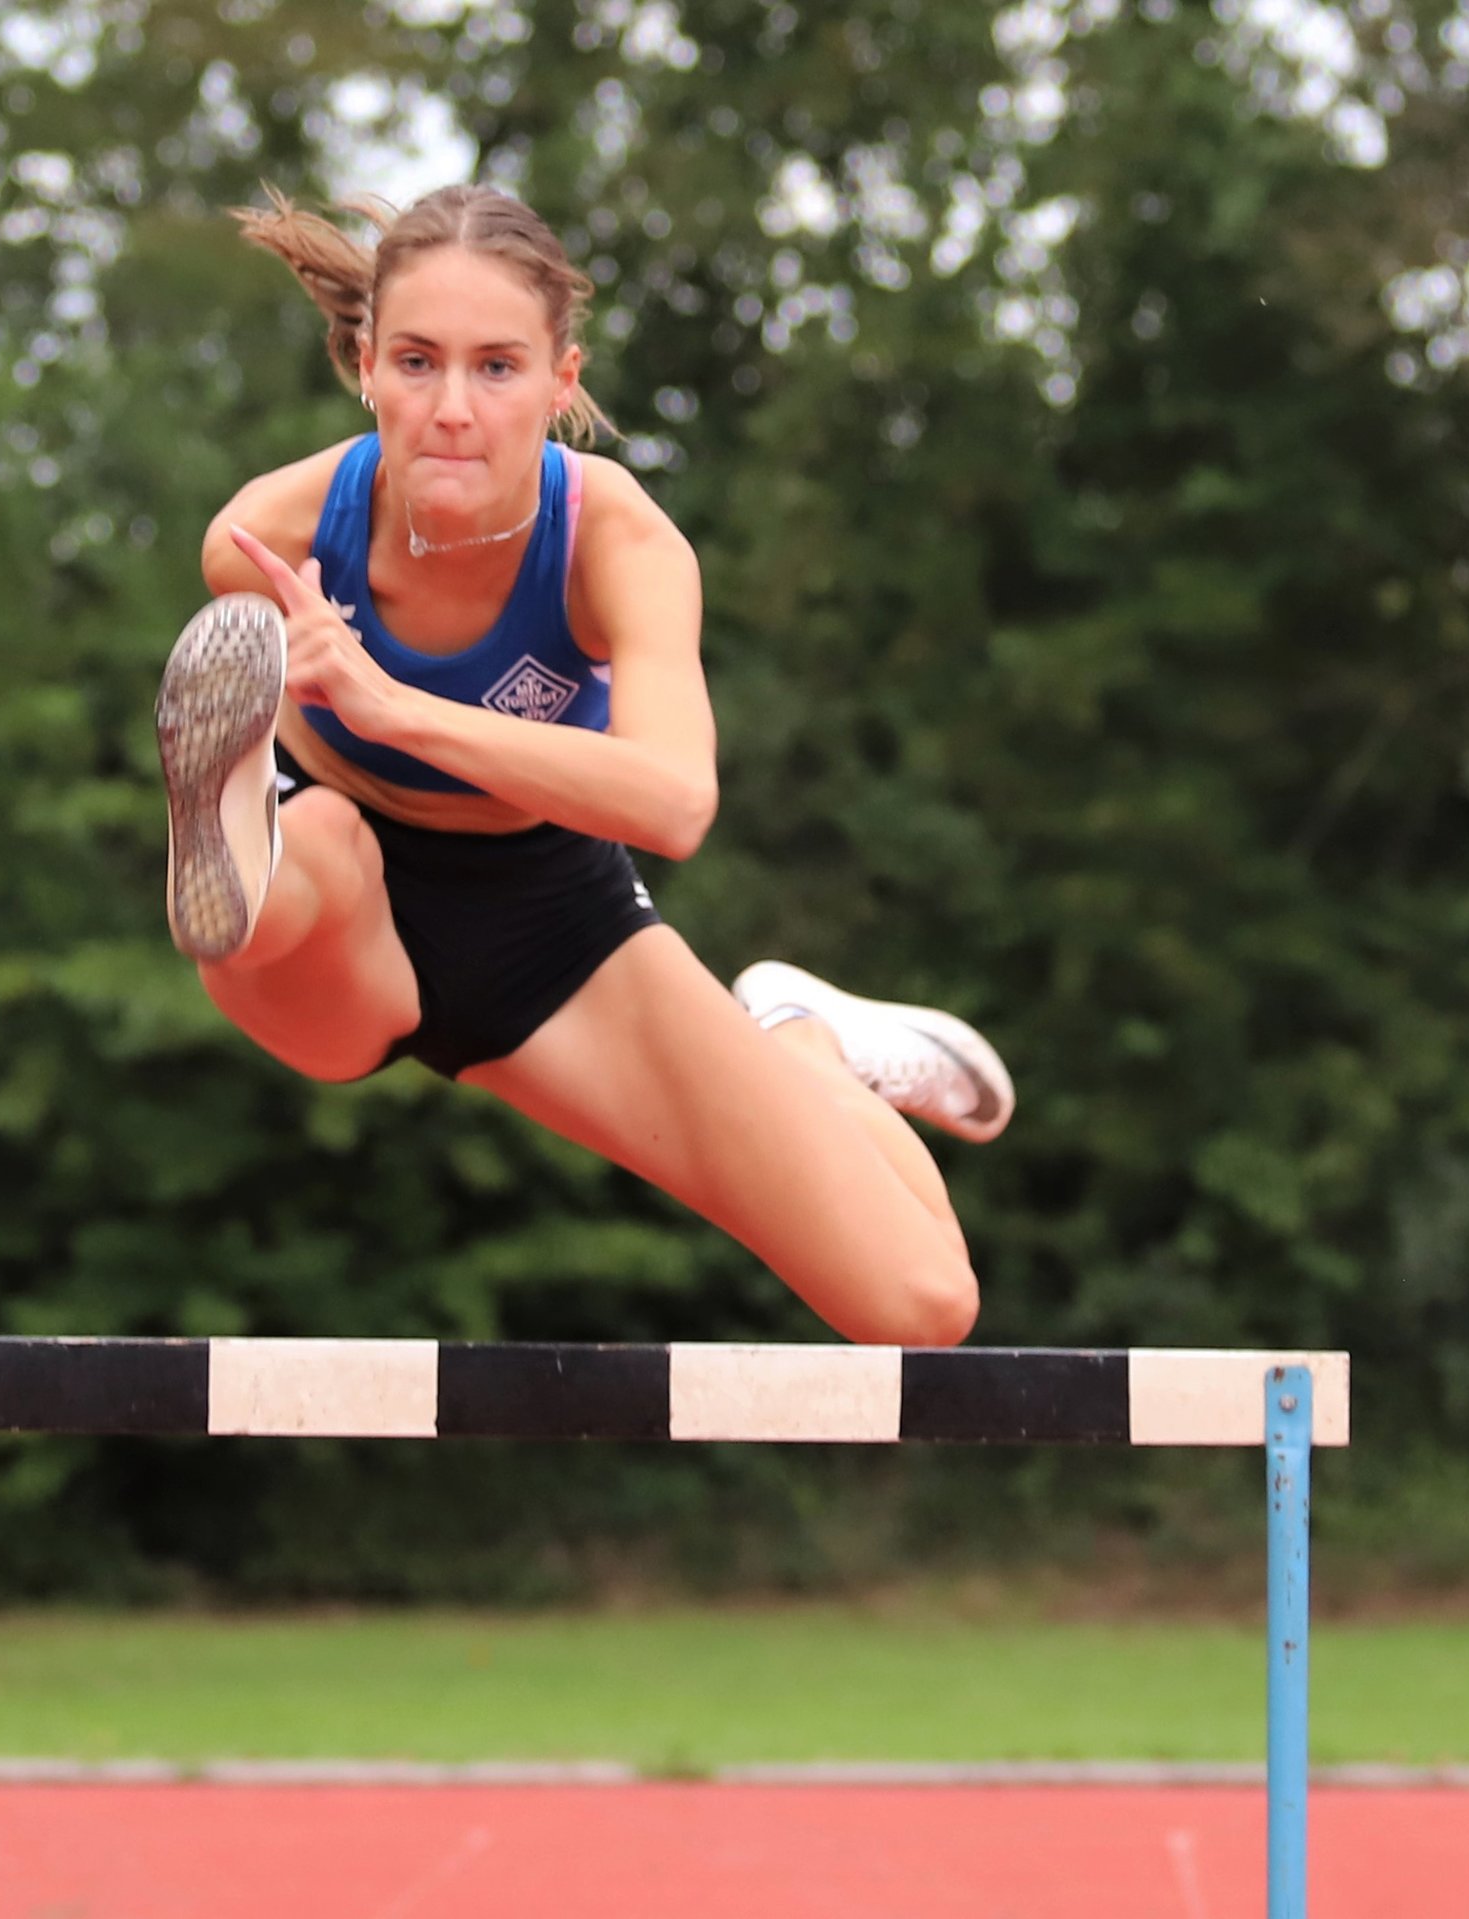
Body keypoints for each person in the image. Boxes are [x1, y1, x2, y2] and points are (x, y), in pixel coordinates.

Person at [152, 184, 1013, 1347]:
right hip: (335, 913)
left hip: (550, 924)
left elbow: (673, 798)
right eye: (415, 363)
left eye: (496, 369)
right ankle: (239, 830)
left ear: (561, 382)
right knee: (314, 870)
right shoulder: (272, 534)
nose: (451, 409)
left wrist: (392, 706)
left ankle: (795, 1033)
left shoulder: (615, 539)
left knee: (920, 1305)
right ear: (364, 366)